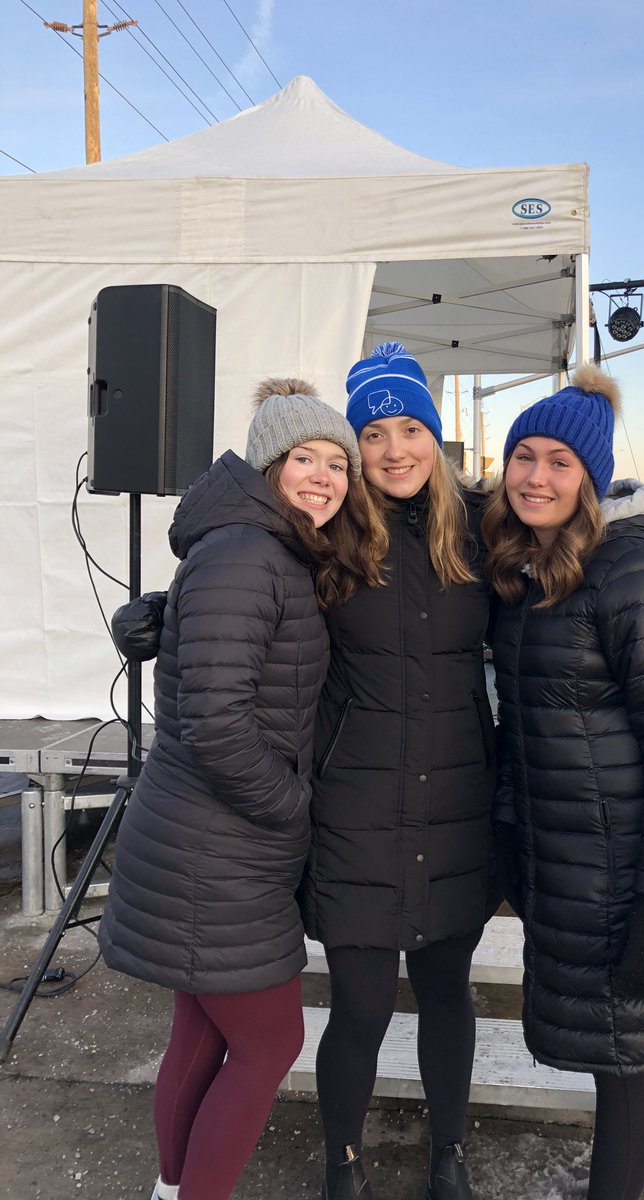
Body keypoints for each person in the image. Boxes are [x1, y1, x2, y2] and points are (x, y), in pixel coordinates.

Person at [99, 379, 386, 1200]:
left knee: (199, 1031)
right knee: (267, 1046)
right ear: (268, 466)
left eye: (338, 462)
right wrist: (288, 806)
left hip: (205, 839)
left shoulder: (263, 548)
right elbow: (219, 723)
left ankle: (172, 1188)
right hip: (220, 846)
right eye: (306, 458)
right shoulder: (250, 553)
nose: (325, 476)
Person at [482, 364, 644, 1200]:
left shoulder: (631, 574)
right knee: (620, 1053)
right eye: (523, 456)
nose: (535, 476)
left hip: (631, 881)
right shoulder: (521, 573)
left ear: (590, 480)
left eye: (559, 462)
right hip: (568, 872)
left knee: (623, 1063)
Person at [301, 342, 496, 1200]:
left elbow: (576, 556)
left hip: (457, 804)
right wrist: (164, 610)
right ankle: (342, 1162)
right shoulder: (324, 537)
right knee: (363, 1005)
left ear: (436, 436)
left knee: (448, 994)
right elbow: (242, 571)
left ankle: (447, 1152)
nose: (393, 449)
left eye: (410, 427)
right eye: (373, 432)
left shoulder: (483, 534)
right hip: (358, 810)